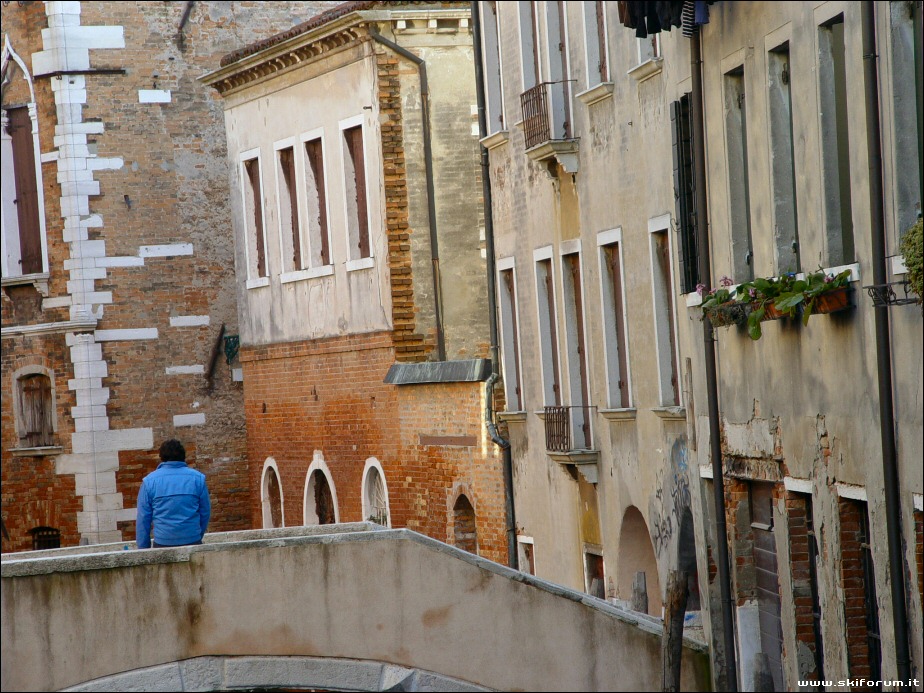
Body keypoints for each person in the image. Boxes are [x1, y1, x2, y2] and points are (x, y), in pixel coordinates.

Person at [135, 439, 211, 549]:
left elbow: (143, 518)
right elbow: (205, 512)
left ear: (162, 457)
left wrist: (143, 549)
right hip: (193, 540)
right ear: (183, 455)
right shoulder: (198, 479)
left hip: (162, 542)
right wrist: (197, 535)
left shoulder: (149, 482)